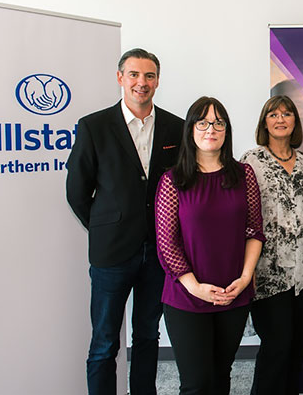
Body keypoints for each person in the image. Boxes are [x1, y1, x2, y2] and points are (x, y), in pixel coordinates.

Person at [66, 48, 184, 395]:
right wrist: (105, 226)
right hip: (111, 255)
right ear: (120, 78)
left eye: (149, 76)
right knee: (104, 341)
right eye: (134, 75)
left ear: (158, 81)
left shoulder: (176, 127)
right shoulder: (94, 126)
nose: (141, 83)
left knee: (148, 335)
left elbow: (181, 186)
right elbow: (76, 191)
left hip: (158, 254)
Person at [154, 96, 265, 395]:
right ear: (191, 129)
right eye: (202, 122)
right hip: (187, 296)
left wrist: (244, 279)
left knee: (221, 375)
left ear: (226, 130)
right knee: (196, 384)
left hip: (234, 293)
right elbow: (167, 242)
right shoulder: (173, 180)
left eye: (218, 122)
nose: (210, 129)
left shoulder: (244, 175)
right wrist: (196, 287)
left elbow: (255, 230)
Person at [240, 95, 303, 395]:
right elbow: (242, 215)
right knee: (277, 346)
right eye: (273, 114)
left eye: (287, 114)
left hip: (302, 272)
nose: (280, 119)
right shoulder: (251, 161)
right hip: (267, 272)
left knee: (297, 345)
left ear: (295, 121)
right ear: (265, 122)